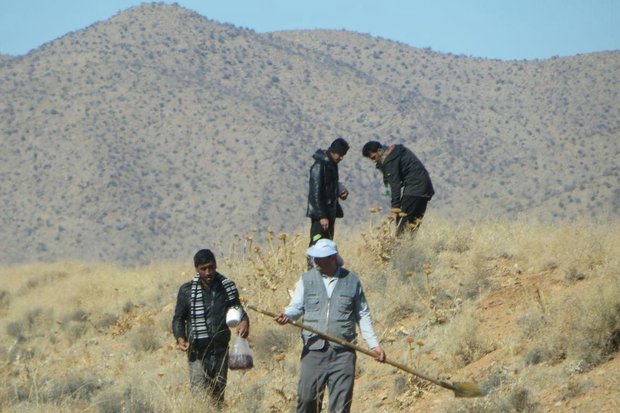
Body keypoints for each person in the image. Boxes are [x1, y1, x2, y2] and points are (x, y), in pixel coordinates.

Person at [274, 239, 386, 413]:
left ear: (333, 258)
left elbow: (362, 314)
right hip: (313, 351)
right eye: (314, 257)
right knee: (306, 399)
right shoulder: (306, 279)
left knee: (340, 406)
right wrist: (287, 315)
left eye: (320, 258)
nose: (315, 261)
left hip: (343, 352)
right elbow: (296, 307)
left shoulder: (352, 281)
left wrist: (374, 345)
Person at [172, 249, 250, 406]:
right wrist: (180, 337)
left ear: (216, 266)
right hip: (197, 352)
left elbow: (238, 310)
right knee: (200, 395)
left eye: (211, 267)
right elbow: (178, 319)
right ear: (197, 268)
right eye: (204, 268)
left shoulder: (227, 287)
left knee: (218, 396)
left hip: (220, 350)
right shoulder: (186, 291)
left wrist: (244, 322)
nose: (208, 272)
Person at [362, 140, 434, 235]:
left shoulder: (390, 160)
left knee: (402, 227)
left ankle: (401, 249)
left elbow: (395, 185)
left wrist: (394, 209)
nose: (373, 161)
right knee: (412, 227)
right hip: (425, 189)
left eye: (373, 157)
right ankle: (411, 249)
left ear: (379, 151)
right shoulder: (396, 151)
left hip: (414, 190)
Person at [306, 137, 350, 246]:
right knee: (317, 242)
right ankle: (312, 263)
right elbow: (315, 193)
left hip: (330, 212)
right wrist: (322, 216)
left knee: (327, 244)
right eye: (340, 154)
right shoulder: (319, 166)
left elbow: (330, 184)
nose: (341, 158)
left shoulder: (331, 164)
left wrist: (340, 190)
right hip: (321, 215)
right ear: (333, 151)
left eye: (343, 155)